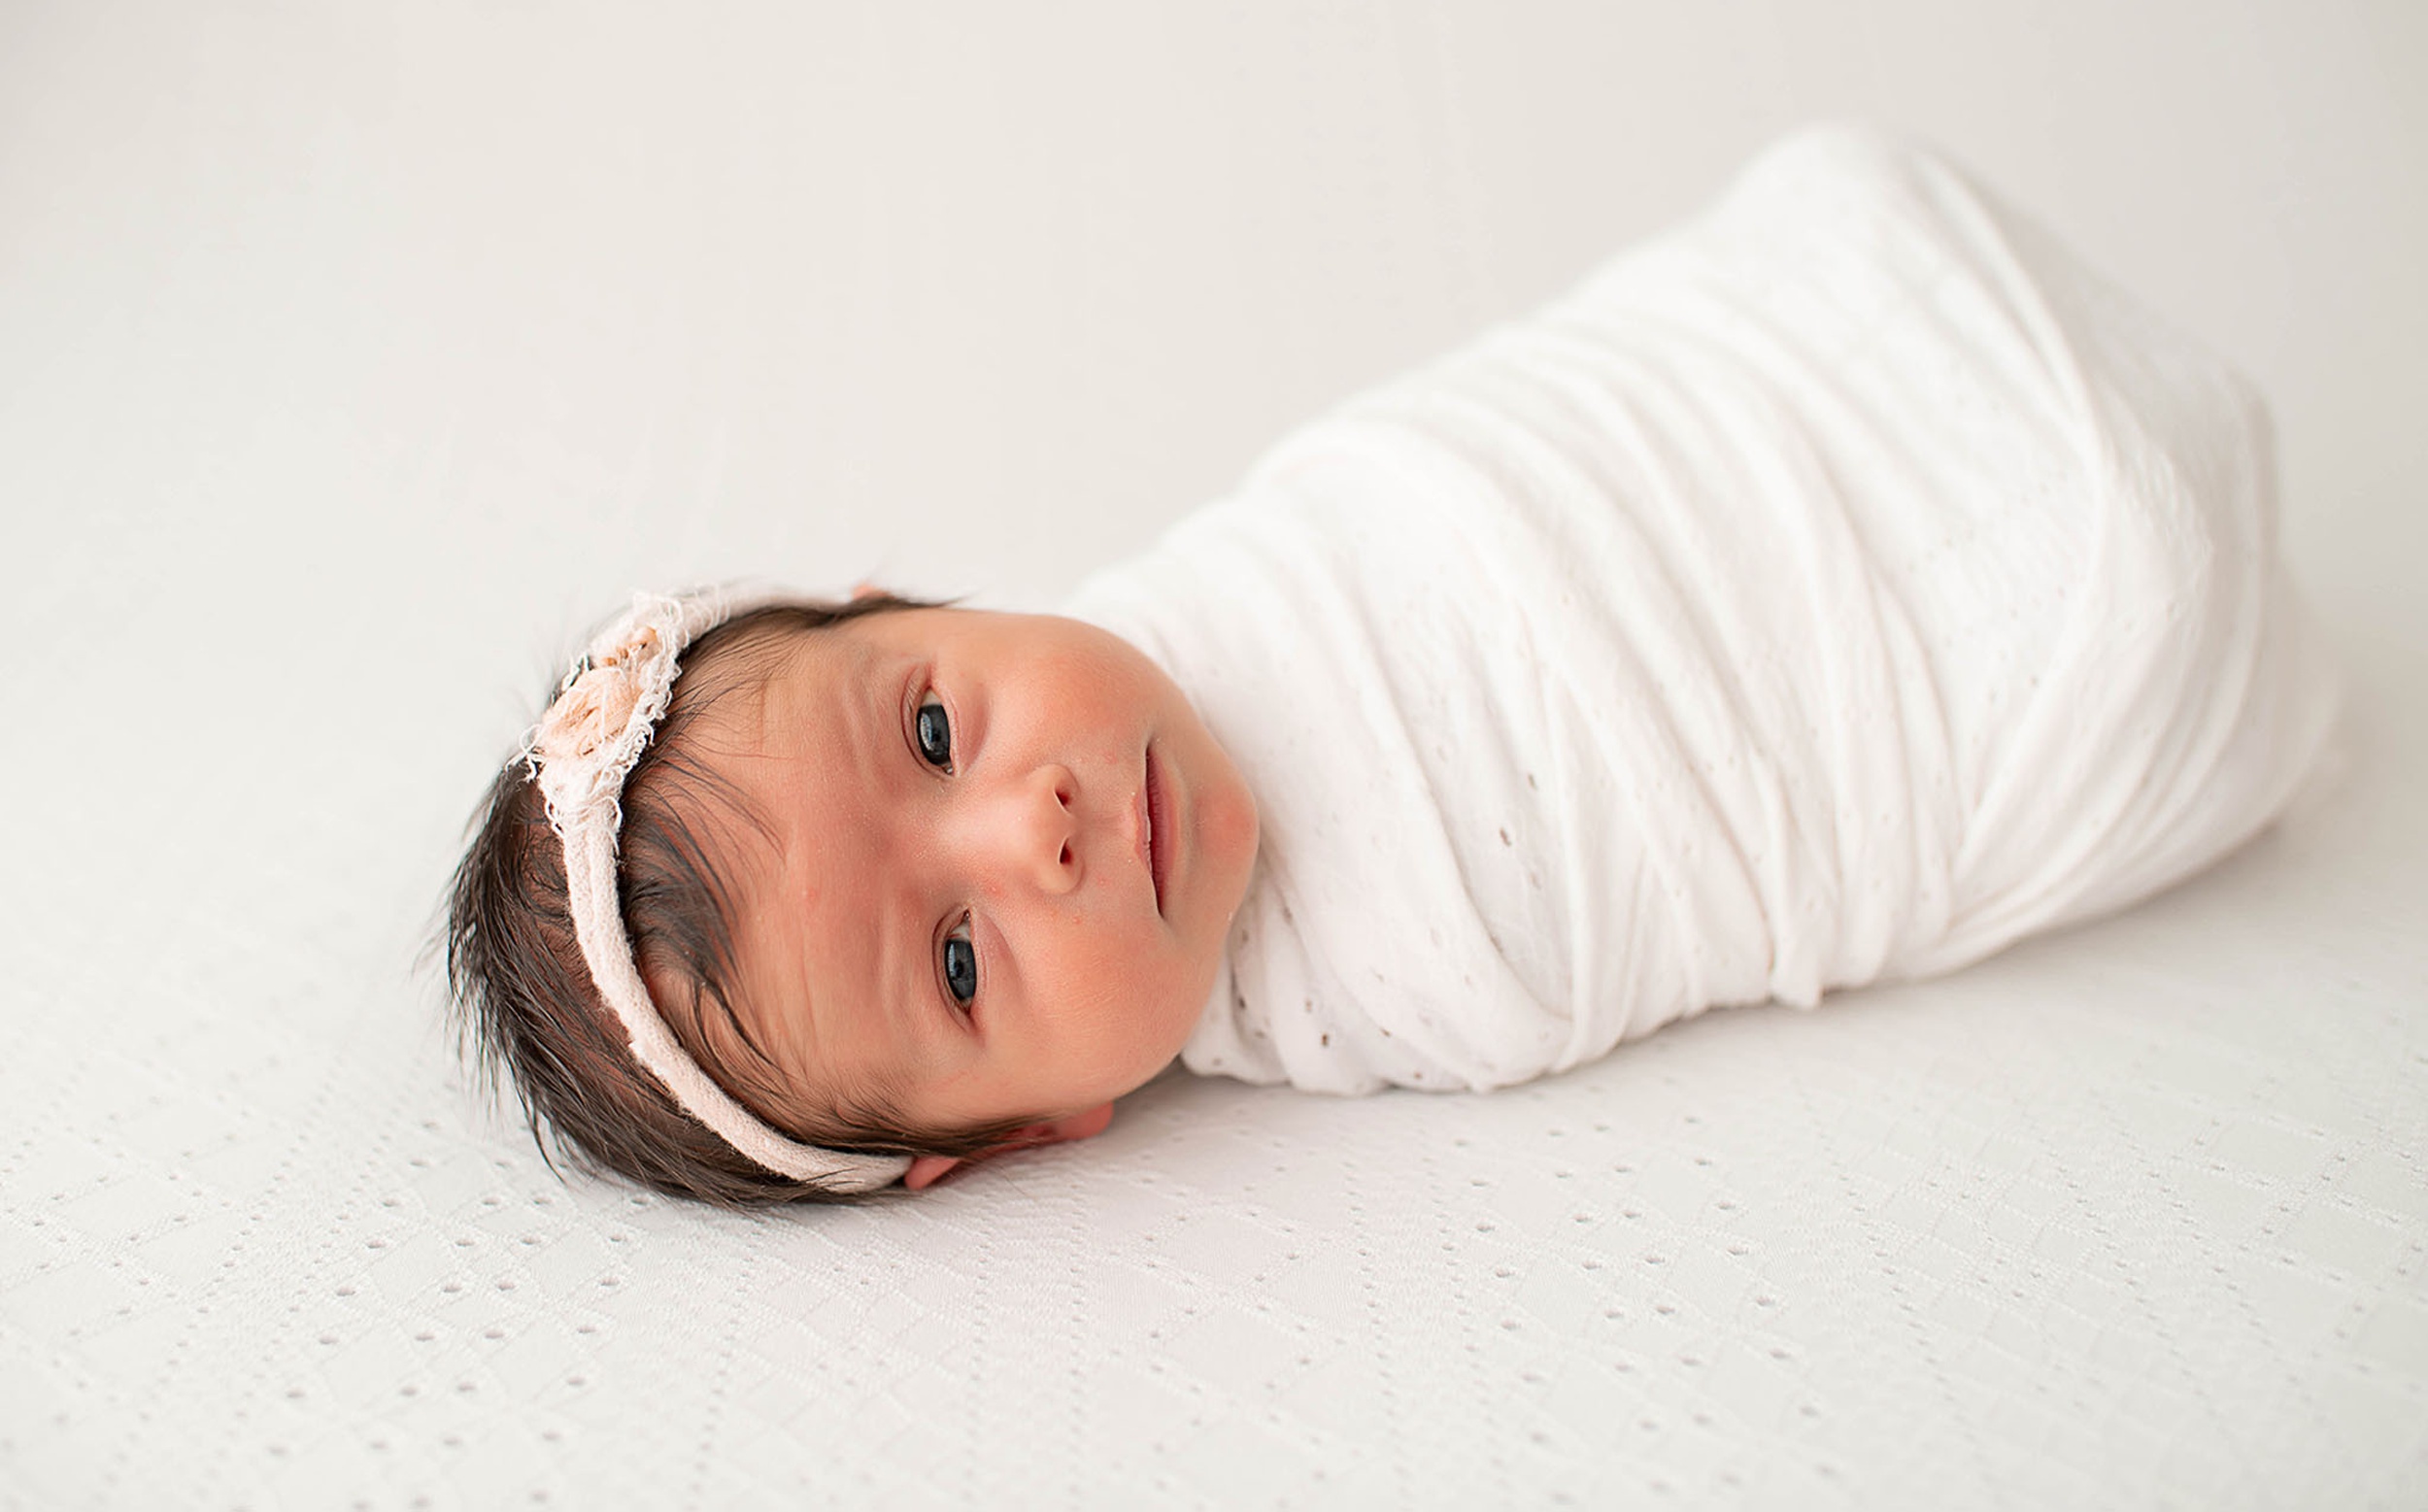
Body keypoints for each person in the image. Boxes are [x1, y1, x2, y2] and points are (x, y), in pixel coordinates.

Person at [444, 126, 2342, 1205]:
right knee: (2140, 597)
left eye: (934, 727)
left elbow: (1513, 451)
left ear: (914, 603)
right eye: (958, 962)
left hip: (1766, 409)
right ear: (1023, 1127)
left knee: (1848, 219)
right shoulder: (1377, 1000)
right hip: (1961, 678)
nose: (1032, 825)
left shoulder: (1225, 579)